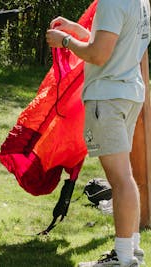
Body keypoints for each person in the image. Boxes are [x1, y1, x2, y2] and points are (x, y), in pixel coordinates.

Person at [46, 0, 150, 266]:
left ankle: (123, 258)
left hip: (109, 97)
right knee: (124, 176)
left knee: (120, 179)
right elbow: (114, 43)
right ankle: (131, 250)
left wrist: (65, 41)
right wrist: (77, 30)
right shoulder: (140, 2)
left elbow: (99, 55)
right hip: (128, 94)